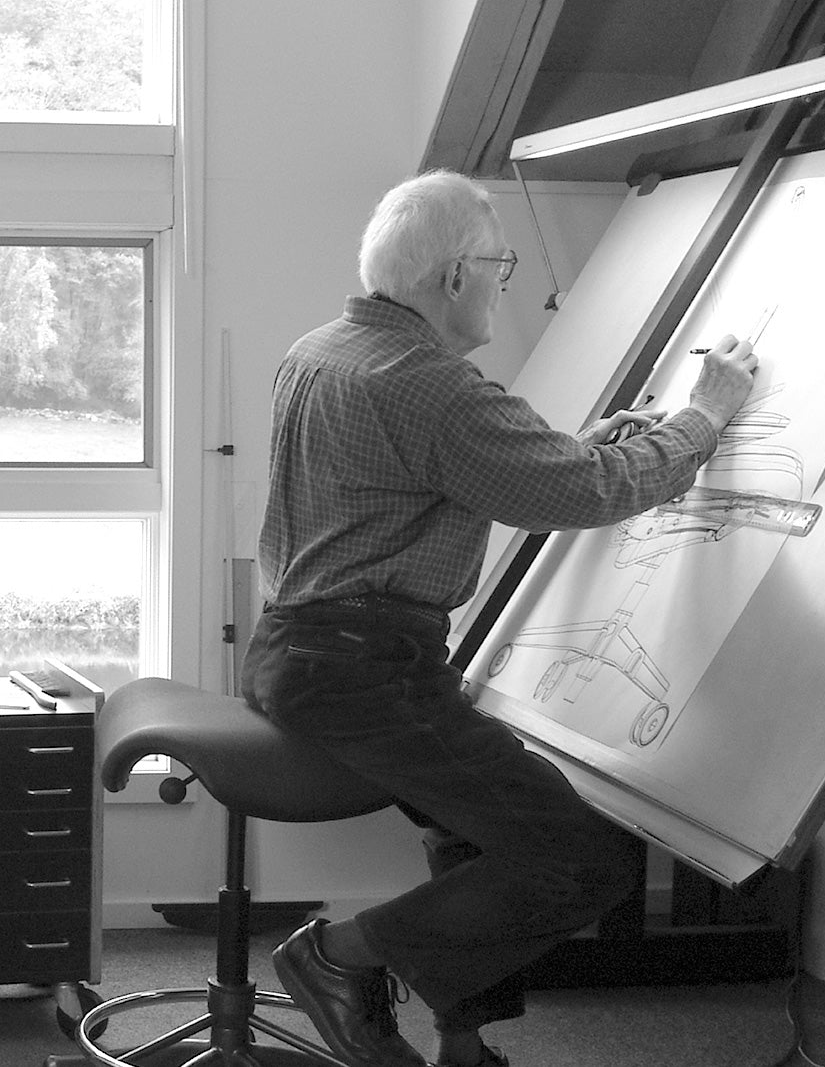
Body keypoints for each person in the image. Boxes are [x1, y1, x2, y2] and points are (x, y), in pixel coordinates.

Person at [241, 169, 757, 1067]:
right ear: (453, 278)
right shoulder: (428, 382)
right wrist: (704, 418)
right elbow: (590, 494)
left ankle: (464, 1048)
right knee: (582, 861)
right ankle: (336, 959)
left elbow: (447, 477)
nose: (502, 283)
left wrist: (582, 445)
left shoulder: (323, 349)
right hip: (365, 670)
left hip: (304, 651)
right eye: (500, 266)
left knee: (473, 829)